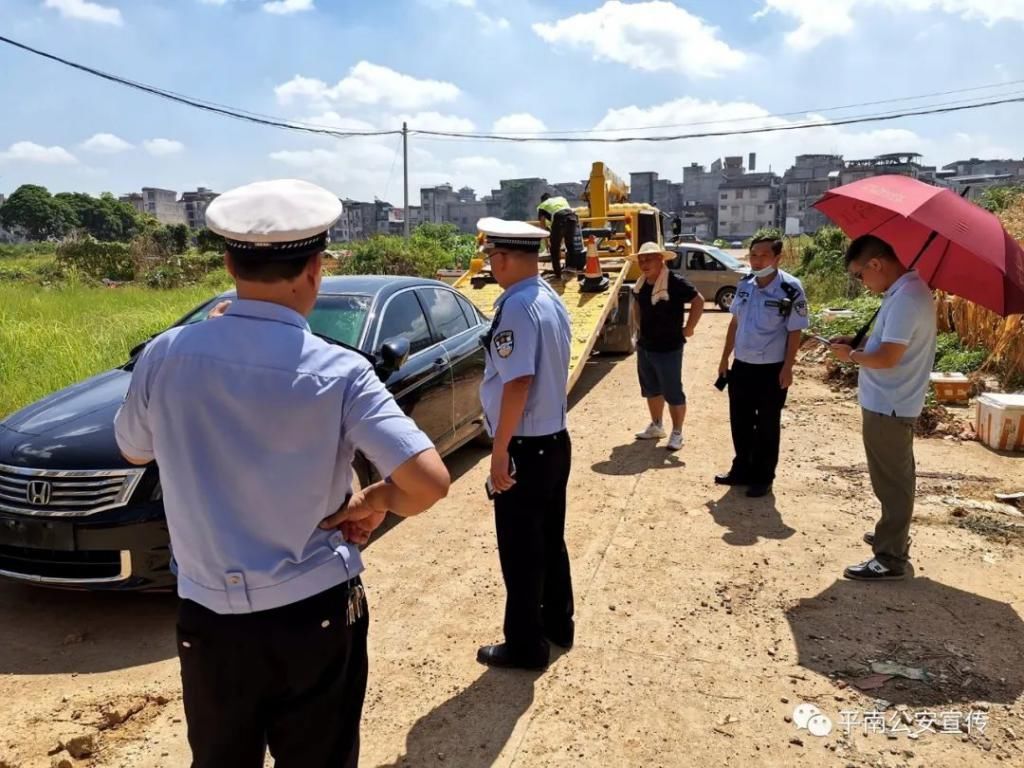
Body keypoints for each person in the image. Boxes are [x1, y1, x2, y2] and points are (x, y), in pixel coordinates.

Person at [114, 179, 450, 768]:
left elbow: (133, 449)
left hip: (208, 619)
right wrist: (374, 497)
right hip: (313, 613)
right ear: (316, 269)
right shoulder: (340, 371)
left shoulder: (166, 354)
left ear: (227, 263)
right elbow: (428, 483)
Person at [475, 216, 574, 671]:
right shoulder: (549, 298)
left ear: (504, 258)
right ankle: (558, 622)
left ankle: (525, 645)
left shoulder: (516, 307)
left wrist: (499, 453)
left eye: (493, 256)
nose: (491, 264)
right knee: (550, 538)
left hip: (525, 446)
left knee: (520, 550)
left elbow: (518, 382)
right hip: (553, 439)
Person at [830, 234, 936, 581]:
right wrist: (858, 344)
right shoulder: (903, 293)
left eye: (860, 275)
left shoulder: (907, 298)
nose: (862, 283)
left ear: (876, 264)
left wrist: (853, 356)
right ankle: (892, 534)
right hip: (888, 402)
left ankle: (890, 556)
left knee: (893, 482)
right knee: (891, 477)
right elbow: (888, 344)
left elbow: (888, 358)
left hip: (890, 404)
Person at [716, 234, 808, 498]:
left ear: (777, 258)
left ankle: (763, 476)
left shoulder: (791, 289)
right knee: (740, 422)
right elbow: (735, 322)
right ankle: (742, 469)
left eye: (763, 255)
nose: (756, 260)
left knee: (767, 425)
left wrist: (788, 367)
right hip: (742, 366)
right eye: (753, 255)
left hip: (771, 369)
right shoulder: (745, 283)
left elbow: (795, 332)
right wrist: (725, 358)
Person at [630, 241, 705, 451]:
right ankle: (656, 425)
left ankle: (677, 432)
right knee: (651, 389)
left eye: (649, 259)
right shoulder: (641, 283)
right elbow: (636, 303)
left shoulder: (674, 282)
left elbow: (698, 301)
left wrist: (689, 328)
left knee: (672, 391)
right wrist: (638, 327)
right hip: (645, 345)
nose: (644, 263)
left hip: (669, 346)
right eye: (641, 259)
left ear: (660, 259)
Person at [537, 192, 586, 279]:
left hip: (559, 219)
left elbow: (542, 225)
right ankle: (571, 268)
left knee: (554, 249)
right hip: (572, 218)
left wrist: (546, 242)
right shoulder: (561, 199)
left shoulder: (542, 206)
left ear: (542, 201)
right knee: (570, 244)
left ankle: (558, 274)